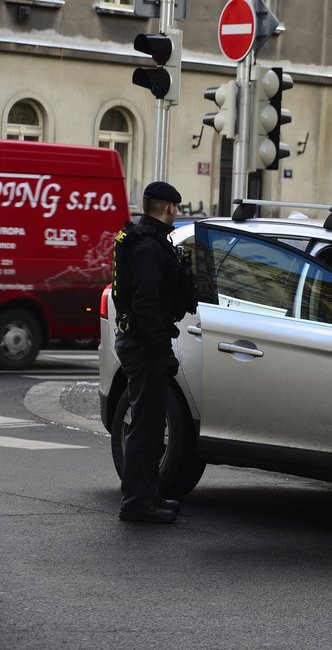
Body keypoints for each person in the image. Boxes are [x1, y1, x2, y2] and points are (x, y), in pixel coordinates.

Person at [113, 181, 194, 524]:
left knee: (149, 421)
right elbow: (146, 303)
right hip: (144, 345)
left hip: (141, 342)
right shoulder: (148, 245)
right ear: (170, 207)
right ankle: (136, 501)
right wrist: (161, 351)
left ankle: (148, 493)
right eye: (176, 208)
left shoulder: (144, 238)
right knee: (146, 425)